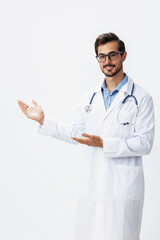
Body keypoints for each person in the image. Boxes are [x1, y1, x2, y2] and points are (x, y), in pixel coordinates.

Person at [17, 32, 155, 240]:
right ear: (98, 59)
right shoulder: (89, 97)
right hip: (94, 188)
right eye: (102, 56)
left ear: (124, 56)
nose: (107, 61)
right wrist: (43, 121)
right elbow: (76, 133)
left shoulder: (141, 98)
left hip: (123, 190)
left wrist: (103, 143)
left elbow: (145, 143)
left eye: (112, 55)